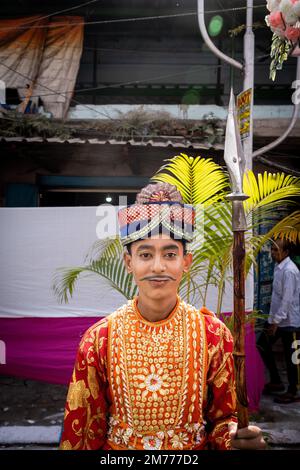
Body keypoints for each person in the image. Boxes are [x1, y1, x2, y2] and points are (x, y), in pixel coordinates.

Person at [60, 182, 265, 450]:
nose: (158, 266)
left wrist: (235, 438)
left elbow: (223, 419)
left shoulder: (213, 334)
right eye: (145, 254)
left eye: (170, 254)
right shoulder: (99, 340)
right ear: (128, 262)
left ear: (186, 262)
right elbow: (84, 431)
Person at [257, 238, 300, 404]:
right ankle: (276, 381)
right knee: (262, 344)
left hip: (290, 321)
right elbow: (277, 297)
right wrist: (272, 320)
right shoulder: (279, 267)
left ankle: (294, 391)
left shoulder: (289, 271)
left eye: (277, 250)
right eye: (272, 250)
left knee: (292, 358)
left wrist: (275, 322)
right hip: (277, 319)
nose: (273, 253)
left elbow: (287, 300)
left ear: (286, 252)